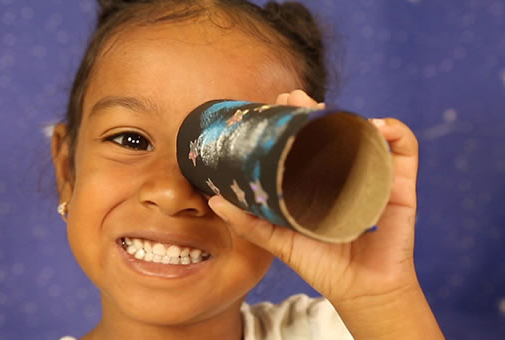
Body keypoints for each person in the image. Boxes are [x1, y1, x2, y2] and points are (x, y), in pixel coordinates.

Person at [50, 1, 445, 339]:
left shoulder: (343, 329)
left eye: (222, 160)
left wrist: (378, 296)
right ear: (67, 169)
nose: (171, 193)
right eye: (131, 140)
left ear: (289, 192)